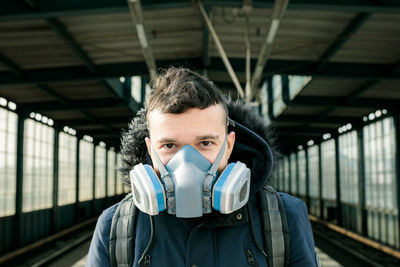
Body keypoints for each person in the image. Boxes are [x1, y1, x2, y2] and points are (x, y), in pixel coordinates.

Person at [86, 67, 319, 267]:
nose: (187, 162)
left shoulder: (283, 217)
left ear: (228, 145)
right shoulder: (115, 228)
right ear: (149, 149)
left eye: (205, 143)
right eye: (169, 145)